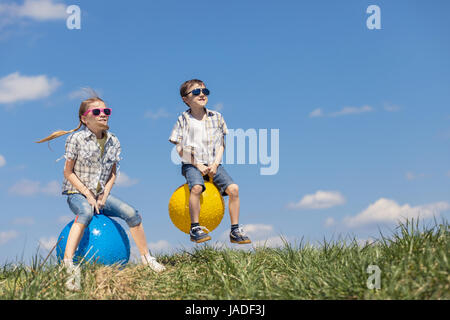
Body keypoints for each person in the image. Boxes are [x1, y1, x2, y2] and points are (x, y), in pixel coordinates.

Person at [37, 93, 165, 291]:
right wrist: (87, 195)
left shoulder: (114, 141)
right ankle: (68, 264)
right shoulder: (76, 139)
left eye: (106, 111)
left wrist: (104, 195)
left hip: (100, 195)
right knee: (86, 213)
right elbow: (68, 172)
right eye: (97, 111)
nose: (103, 114)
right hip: (76, 193)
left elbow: (113, 173)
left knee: (133, 214)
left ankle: (147, 258)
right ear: (84, 118)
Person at [169, 79, 252, 244]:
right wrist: (198, 165)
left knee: (234, 189)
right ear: (185, 99)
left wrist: (214, 164)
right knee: (197, 187)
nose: (201, 94)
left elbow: (221, 144)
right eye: (196, 92)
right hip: (192, 164)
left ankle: (235, 230)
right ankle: (195, 228)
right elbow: (179, 149)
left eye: (204, 92)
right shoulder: (183, 120)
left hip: (214, 164)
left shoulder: (217, 117)